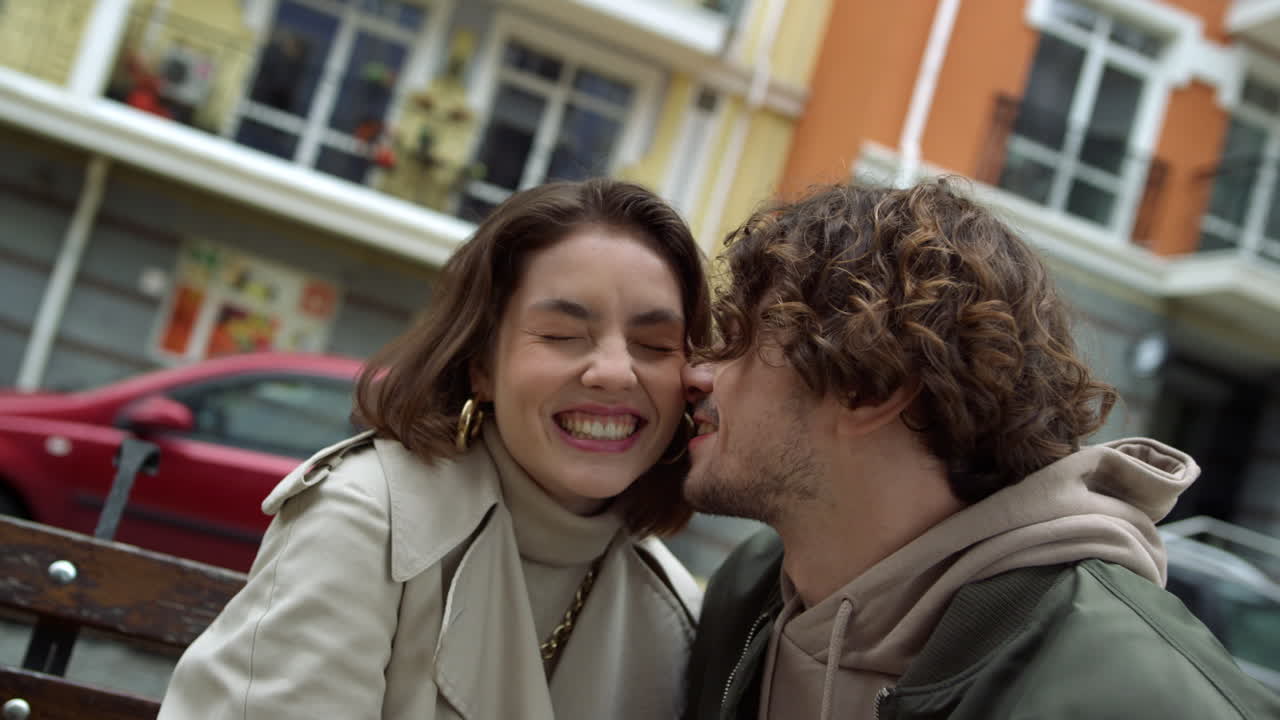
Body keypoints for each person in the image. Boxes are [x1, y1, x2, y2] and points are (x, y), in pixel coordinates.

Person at [680, 179, 1280, 720]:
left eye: (740, 341)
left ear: (872, 388)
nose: (697, 374)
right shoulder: (751, 593)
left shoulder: (1137, 695)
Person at [158, 178, 710, 719]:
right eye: (563, 334)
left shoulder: (674, 611)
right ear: (481, 366)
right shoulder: (366, 521)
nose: (616, 372)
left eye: (654, 345)